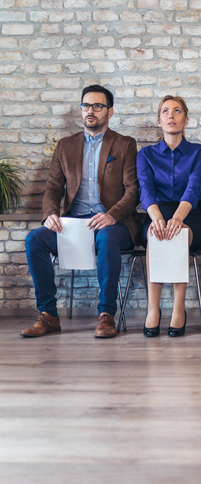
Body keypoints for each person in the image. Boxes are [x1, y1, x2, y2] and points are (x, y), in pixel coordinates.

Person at [22, 85, 140, 338]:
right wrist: (51, 214)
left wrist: (112, 215)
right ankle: (49, 315)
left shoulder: (124, 144)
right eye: (86, 105)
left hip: (113, 223)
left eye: (98, 106)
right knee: (34, 239)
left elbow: (133, 190)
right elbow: (53, 188)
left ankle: (106, 314)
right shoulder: (65, 146)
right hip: (73, 223)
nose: (91, 111)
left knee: (107, 238)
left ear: (110, 112)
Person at [136, 95, 201, 337]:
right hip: (156, 212)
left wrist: (178, 219)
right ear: (159, 120)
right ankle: (153, 308)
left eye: (177, 111)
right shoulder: (145, 154)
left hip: (189, 215)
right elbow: (145, 189)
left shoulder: (199, 152)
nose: (171, 115)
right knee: (154, 235)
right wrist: (157, 218)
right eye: (165, 111)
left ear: (185, 119)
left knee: (179, 235)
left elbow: (194, 187)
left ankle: (179, 308)